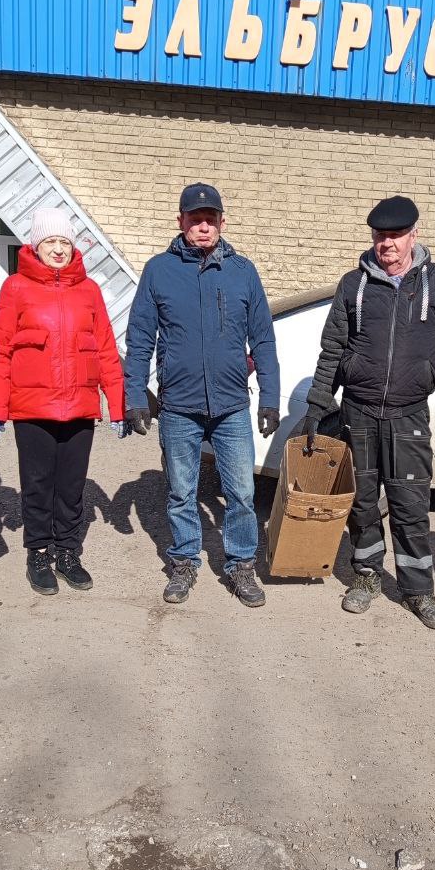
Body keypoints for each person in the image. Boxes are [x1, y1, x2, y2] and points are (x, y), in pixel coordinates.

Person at [303, 195, 435, 629]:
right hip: (357, 413)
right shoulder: (353, 285)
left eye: (396, 235)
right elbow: (332, 349)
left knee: (410, 507)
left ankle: (418, 592)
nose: (387, 244)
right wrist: (317, 405)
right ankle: (366, 576)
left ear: (414, 235)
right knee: (362, 504)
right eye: (381, 235)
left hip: (408, 415)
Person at [123, 184, 280, 608]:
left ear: (222, 222)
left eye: (211, 219)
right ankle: (185, 560)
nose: (204, 227)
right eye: (195, 220)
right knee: (181, 492)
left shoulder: (242, 271)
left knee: (242, 493)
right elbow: (140, 337)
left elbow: (263, 339)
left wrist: (270, 397)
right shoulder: (159, 270)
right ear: (181, 222)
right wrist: (134, 395)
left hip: (231, 406)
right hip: (178, 405)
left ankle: (241, 564)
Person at [0, 209, 126, 595]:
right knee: (37, 484)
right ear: (36, 246)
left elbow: (106, 351)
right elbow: (1, 350)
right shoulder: (16, 287)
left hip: (79, 407)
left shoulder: (89, 290)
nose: (59, 249)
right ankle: (38, 554)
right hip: (32, 409)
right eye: (50, 242)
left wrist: (117, 405)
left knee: (72, 487)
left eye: (65, 242)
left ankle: (68, 553)